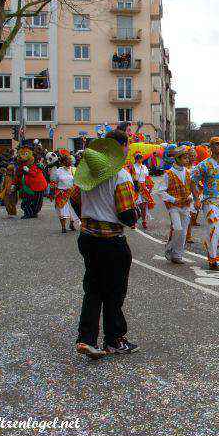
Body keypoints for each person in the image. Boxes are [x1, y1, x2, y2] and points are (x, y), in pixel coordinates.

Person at [74, 131, 140, 359]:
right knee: (114, 291)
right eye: (127, 145)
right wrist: (136, 215)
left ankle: (87, 338)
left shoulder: (87, 174)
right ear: (120, 147)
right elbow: (126, 215)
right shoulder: (121, 176)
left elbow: (74, 199)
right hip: (111, 241)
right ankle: (114, 339)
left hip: (88, 237)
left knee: (92, 289)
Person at [189, 137, 219, 270]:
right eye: (217, 145)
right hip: (210, 200)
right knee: (214, 227)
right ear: (211, 148)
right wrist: (196, 199)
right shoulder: (204, 164)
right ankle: (212, 258)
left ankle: (211, 246)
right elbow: (193, 180)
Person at [155, 146, 194, 264]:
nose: (187, 160)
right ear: (177, 158)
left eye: (187, 158)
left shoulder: (188, 172)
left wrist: (191, 197)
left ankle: (177, 255)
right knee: (177, 228)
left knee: (183, 232)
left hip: (186, 206)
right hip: (174, 207)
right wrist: (173, 199)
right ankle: (169, 247)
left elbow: (192, 188)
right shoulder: (169, 173)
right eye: (184, 158)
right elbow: (160, 191)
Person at [12, 147, 48, 219]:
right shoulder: (20, 168)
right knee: (25, 202)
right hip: (26, 188)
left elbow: (35, 173)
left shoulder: (36, 166)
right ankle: (28, 213)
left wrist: (28, 171)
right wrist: (14, 184)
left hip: (38, 187)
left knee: (37, 203)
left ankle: (34, 213)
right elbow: (17, 176)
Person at [50, 154, 80, 233]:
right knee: (62, 210)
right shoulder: (58, 171)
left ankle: (72, 224)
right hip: (61, 194)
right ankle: (63, 227)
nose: (70, 161)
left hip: (72, 193)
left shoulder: (74, 169)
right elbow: (54, 181)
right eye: (68, 160)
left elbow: (77, 180)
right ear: (63, 162)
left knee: (73, 210)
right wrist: (52, 192)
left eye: (70, 159)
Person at [133, 152, 154, 230]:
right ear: (135, 159)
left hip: (144, 188)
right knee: (135, 206)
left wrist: (150, 187)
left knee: (144, 205)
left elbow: (147, 178)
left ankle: (144, 221)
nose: (139, 159)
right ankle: (134, 221)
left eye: (140, 157)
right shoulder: (132, 167)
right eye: (137, 158)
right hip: (135, 188)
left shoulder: (144, 167)